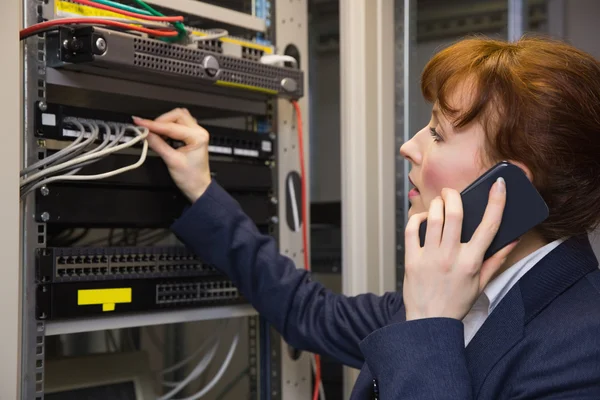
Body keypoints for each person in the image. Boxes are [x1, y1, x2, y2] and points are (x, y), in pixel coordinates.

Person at [133, 36, 600, 399]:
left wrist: (429, 326)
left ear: (504, 186)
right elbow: (307, 310)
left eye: (437, 133)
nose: (409, 146)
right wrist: (201, 187)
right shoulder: (454, 284)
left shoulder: (583, 348)